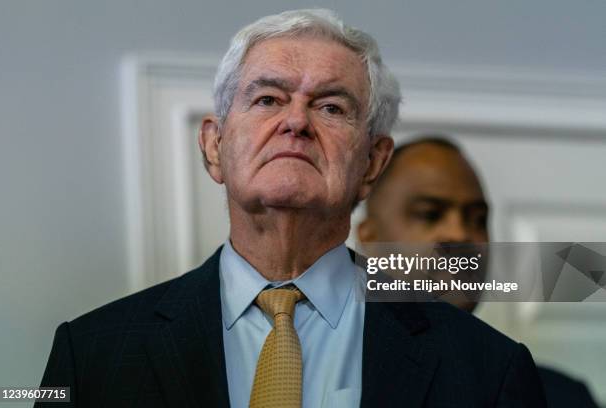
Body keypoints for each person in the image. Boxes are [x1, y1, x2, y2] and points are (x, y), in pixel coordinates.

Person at [38, 10, 547, 407]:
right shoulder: (90, 354)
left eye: (331, 107)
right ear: (214, 147)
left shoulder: (487, 368)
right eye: (267, 100)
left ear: (372, 163)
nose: (296, 122)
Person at [358, 136, 599, 408]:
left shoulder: (563, 398)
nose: (461, 234)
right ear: (370, 239)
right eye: (430, 214)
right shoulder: (331, 371)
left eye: (477, 219)